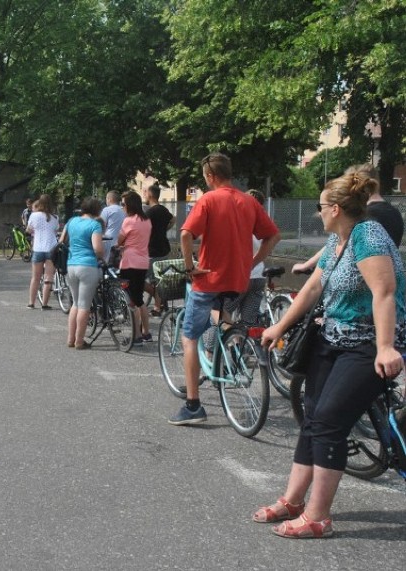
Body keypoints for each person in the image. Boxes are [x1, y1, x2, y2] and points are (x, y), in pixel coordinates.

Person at [257, 170, 405, 539]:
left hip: (367, 342)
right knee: (312, 417)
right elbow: (310, 290)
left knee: (328, 422)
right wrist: (280, 326)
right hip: (333, 337)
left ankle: (318, 516)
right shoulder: (339, 240)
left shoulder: (368, 236)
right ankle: (293, 500)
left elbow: (383, 293)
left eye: (321, 208)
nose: (318, 214)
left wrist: (386, 348)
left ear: (336, 209)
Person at [169, 152, 280, 426]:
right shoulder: (249, 201)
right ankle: (229, 352)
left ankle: (193, 405)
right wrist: (252, 262)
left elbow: (185, 234)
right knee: (224, 321)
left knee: (189, 337)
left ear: (210, 176)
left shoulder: (208, 199)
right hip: (239, 279)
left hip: (208, 279)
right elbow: (273, 235)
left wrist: (188, 266)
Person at [292, 163, 404, 274]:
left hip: (362, 283)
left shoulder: (364, 216)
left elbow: (336, 243)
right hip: (388, 275)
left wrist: (306, 265)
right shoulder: (394, 213)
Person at [59, 197, 104, 349]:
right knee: (85, 305)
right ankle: (79, 341)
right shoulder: (94, 225)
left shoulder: (72, 221)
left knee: (75, 303)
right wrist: (102, 255)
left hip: (71, 265)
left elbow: (62, 240)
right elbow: (97, 249)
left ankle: (70, 339)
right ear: (97, 210)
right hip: (87, 266)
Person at [222, 189, 269, 326]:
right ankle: (244, 344)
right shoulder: (263, 222)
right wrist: (254, 263)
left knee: (221, 312)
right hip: (259, 276)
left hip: (240, 279)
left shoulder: (239, 220)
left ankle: (217, 345)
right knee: (248, 322)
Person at [117, 191, 152, 345]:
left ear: (130, 205)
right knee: (139, 299)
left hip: (129, 262)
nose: (122, 207)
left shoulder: (129, 221)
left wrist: (121, 245)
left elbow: (119, 241)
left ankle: (136, 336)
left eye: (123, 204)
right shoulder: (146, 220)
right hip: (143, 262)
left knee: (131, 300)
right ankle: (146, 332)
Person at [143, 183, 175, 315]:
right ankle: (158, 306)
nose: (144, 195)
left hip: (152, 250)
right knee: (158, 279)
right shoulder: (163, 210)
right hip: (164, 249)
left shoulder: (149, 212)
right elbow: (173, 220)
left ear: (150, 195)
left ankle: (158, 300)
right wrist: (164, 229)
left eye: (145, 193)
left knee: (139, 279)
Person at [26, 194, 59, 309]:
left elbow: (29, 230)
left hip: (38, 249)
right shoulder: (55, 217)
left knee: (35, 277)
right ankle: (44, 304)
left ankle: (31, 303)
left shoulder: (34, 216)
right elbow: (55, 231)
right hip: (51, 249)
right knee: (48, 277)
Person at [100, 191, 125, 264]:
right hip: (121, 240)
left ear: (109, 199)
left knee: (106, 263)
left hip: (108, 240)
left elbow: (101, 225)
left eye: (106, 199)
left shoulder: (107, 210)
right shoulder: (124, 210)